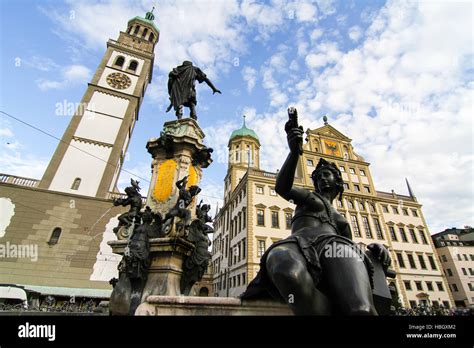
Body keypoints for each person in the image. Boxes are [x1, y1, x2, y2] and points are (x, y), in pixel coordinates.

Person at [241, 107, 391, 315]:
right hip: (298, 244)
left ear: (339, 182)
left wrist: (375, 249)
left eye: (327, 174)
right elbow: (282, 188)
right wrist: (294, 153)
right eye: (318, 175)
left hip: (334, 247)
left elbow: (354, 249)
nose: (321, 178)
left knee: (361, 309)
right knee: (288, 273)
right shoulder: (310, 198)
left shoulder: (341, 221)